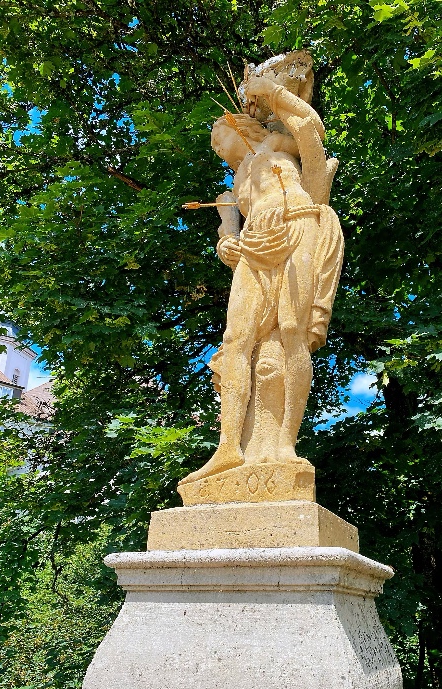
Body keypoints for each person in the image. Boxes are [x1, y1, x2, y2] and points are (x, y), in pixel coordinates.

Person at [180, 71, 343, 485]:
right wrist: (226, 241)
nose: (219, 150)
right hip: (254, 246)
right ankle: (228, 448)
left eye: (219, 139)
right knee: (236, 338)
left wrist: (273, 91)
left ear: (236, 126)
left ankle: (285, 444)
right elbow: (229, 228)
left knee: (292, 331)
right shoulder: (235, 183)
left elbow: (312, 131)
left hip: (297, 225)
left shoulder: (274, 143)